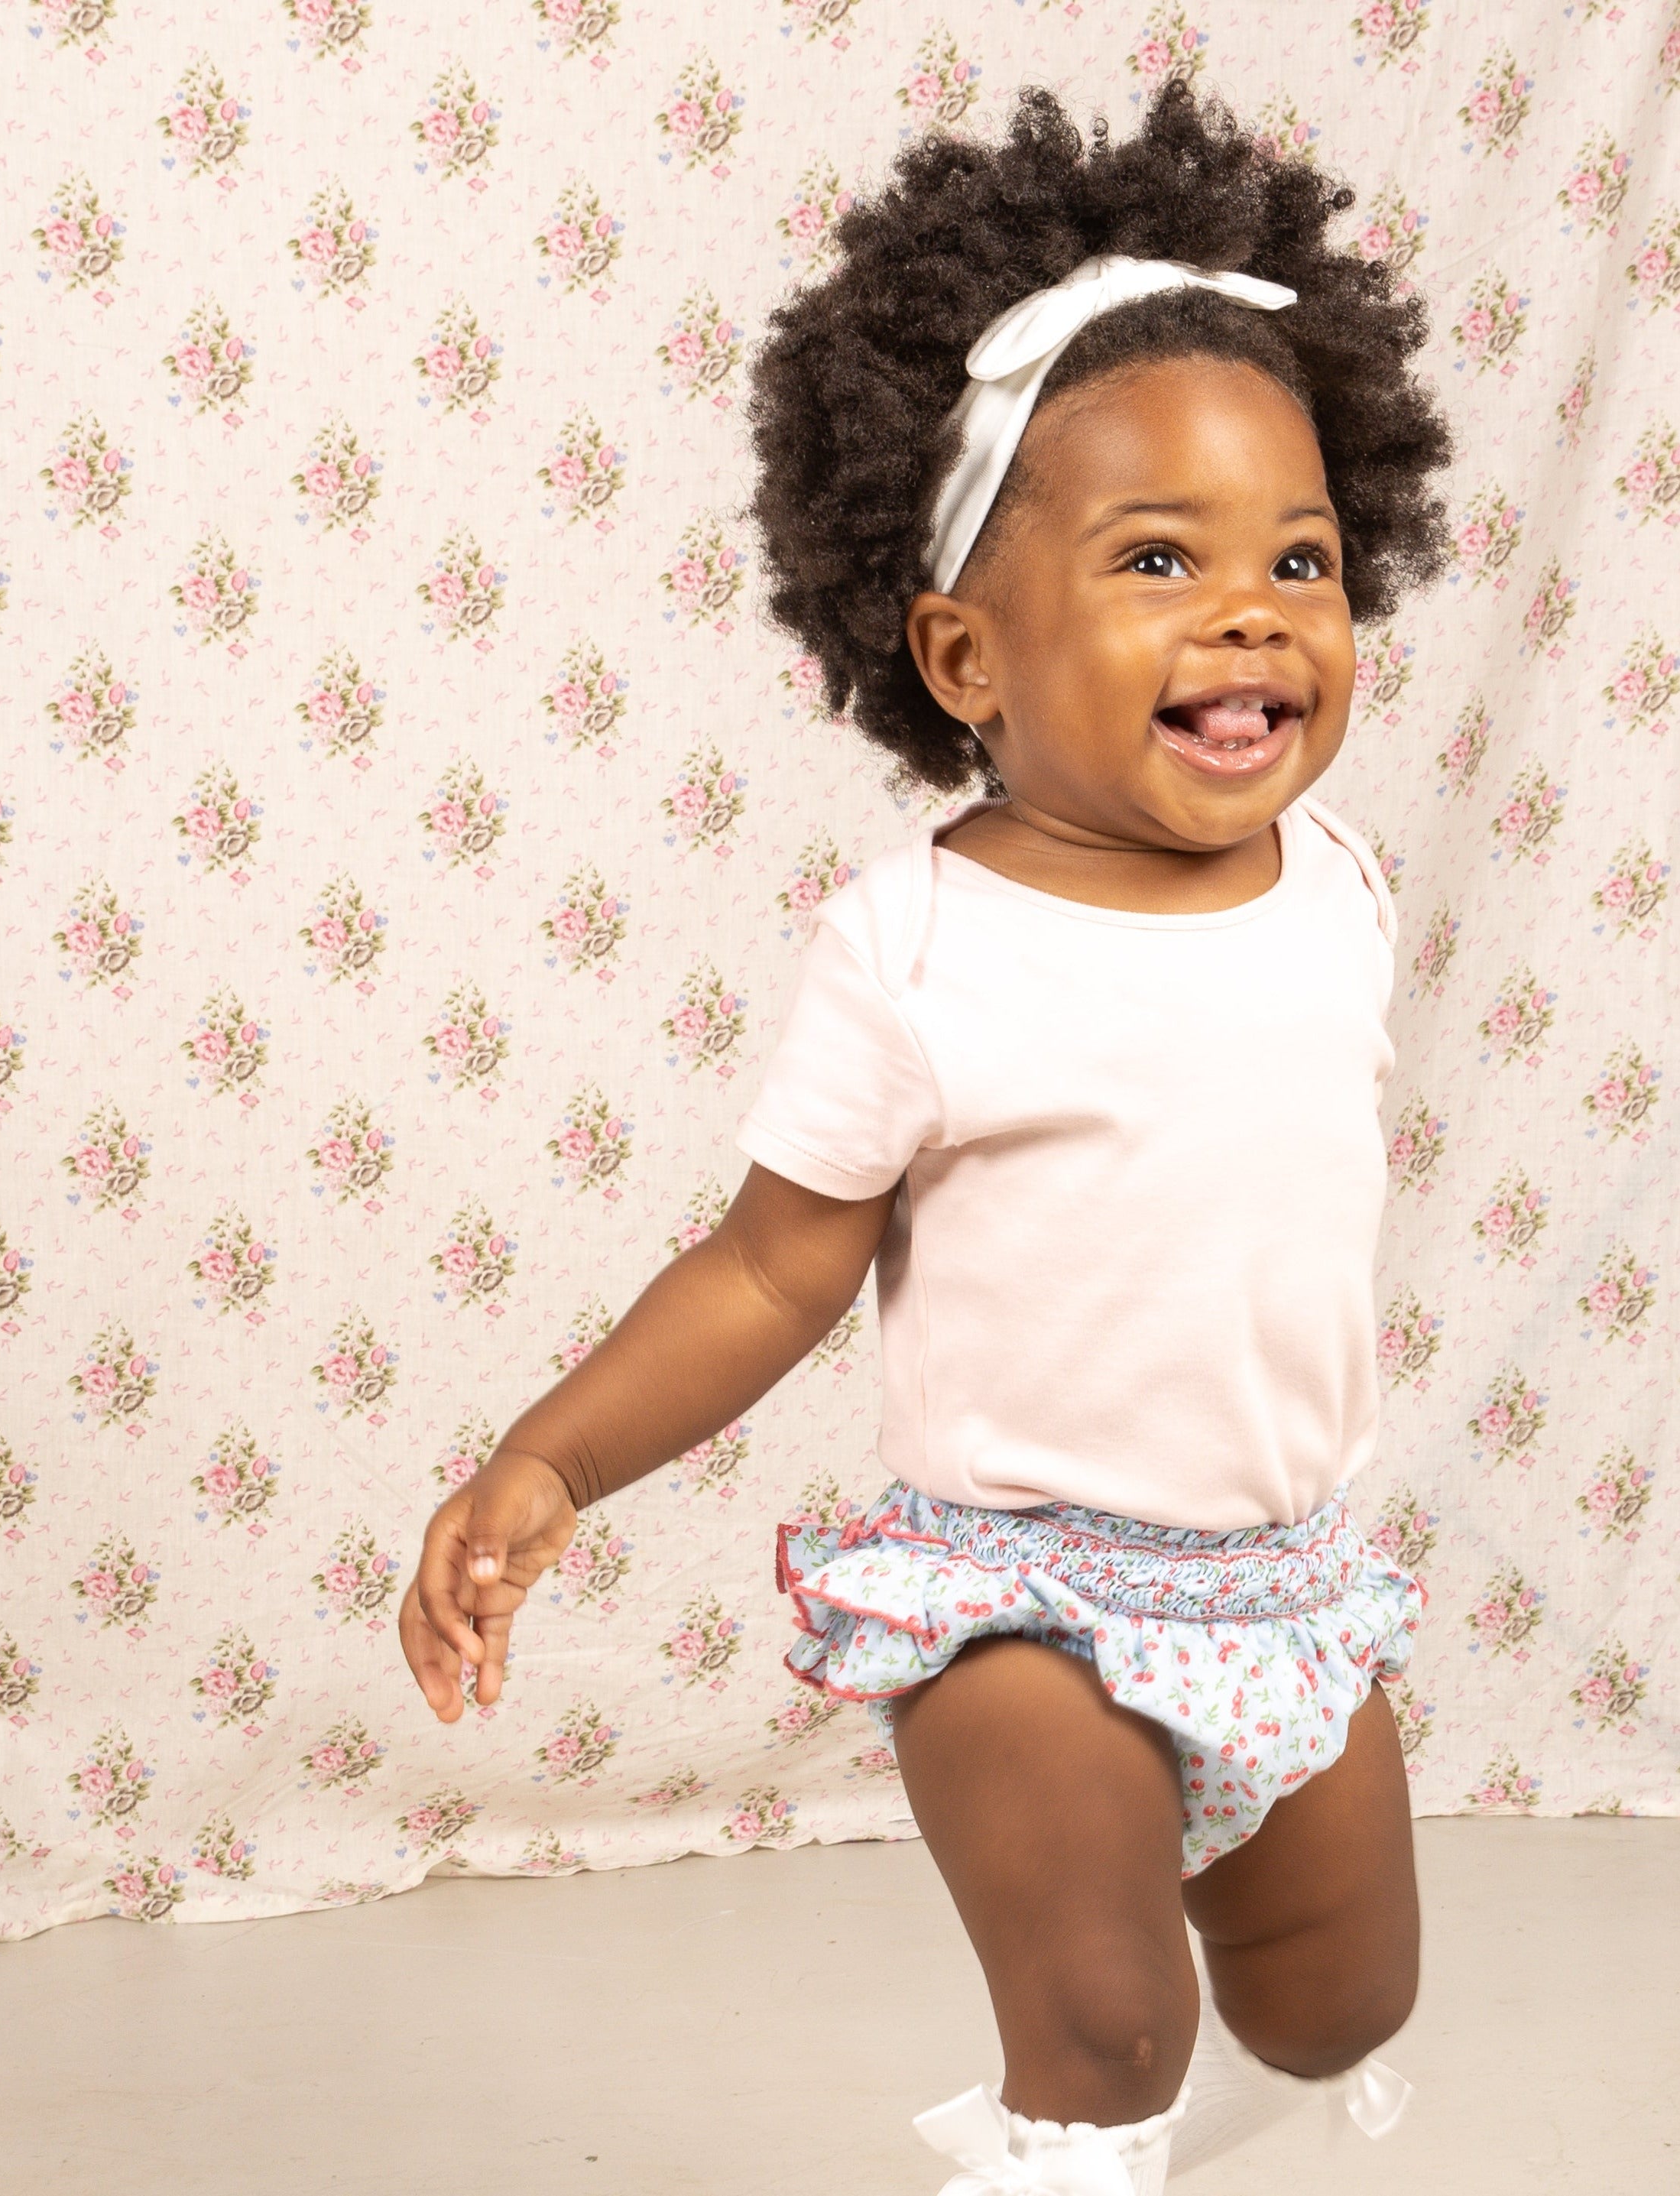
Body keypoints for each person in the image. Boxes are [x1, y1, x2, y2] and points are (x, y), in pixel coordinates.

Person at [399, 79, 1452, 2196]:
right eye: (1156, 560)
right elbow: (770, 1263)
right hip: (1018, 1589)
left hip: (1284, 1573)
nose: (1254, 610)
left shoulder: (1334, 881)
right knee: (1107, 2016)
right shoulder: (920, 947)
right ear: (967, 654)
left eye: (1299, 559)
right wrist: (553, 1456)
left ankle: (1134, 2136)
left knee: (1338, 2003)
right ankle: (1073, 2140)